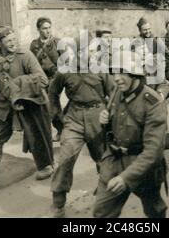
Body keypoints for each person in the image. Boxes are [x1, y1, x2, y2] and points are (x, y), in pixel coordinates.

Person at [0, 26, 54, 196]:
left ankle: (45, 165)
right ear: (0, 42)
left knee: (35, 135)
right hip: (3, 104)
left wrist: (17, 85)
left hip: (27, 102)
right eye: (8, 40)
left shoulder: (26, 55)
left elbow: (43, 79)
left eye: (14, 39)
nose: (13, 43)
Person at [93, 50, 168, 218]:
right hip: (114, 161)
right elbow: (114, 133)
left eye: (123, 72)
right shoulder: (117, 93)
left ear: (135, 74)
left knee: (154, 210)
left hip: (142, 167)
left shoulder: (153, 103)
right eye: (115, 73)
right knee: (102, 212)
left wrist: (126, 178)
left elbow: (153, 152)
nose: (117, 78)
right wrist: (105, 123)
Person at [48, 32, 114, 218]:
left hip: (97, 117)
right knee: (65, 160)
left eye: (94, 50)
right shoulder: (64, 70)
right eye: (89, 50)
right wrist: (58, 119)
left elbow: (114, 95)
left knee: (104, 160)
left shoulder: (101, 69)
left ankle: (105, 194)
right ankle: (58, 204)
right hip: (74, 118)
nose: (93, 54)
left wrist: (109, 115)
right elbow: (52, 94)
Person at [30, 17, 63, 142]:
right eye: (44, 28)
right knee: (47, 105)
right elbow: (31, 62)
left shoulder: (57, 42)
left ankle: (60, 129)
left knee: (51, 103)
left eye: (49, 27)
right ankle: (61, 129)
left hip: (55, 79)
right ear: (38, 29)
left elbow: (65, 62)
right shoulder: (34, 44)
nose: (48, 31)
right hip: (41, 79)